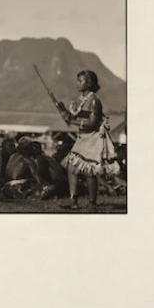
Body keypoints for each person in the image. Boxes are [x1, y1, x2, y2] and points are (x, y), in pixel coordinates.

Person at [56, 70, 122, 212]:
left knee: (89, 171)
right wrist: (64, 111)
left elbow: (92, 123)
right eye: (77, 80)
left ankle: (92, 204)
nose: (77, 83)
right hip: (83, 138)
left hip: (93, 138)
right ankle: (73, 200)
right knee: (72, 167)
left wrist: (70, 120)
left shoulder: (94, 101)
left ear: (89, 83)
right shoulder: (83, 100)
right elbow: (78, 119)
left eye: (81, 81)